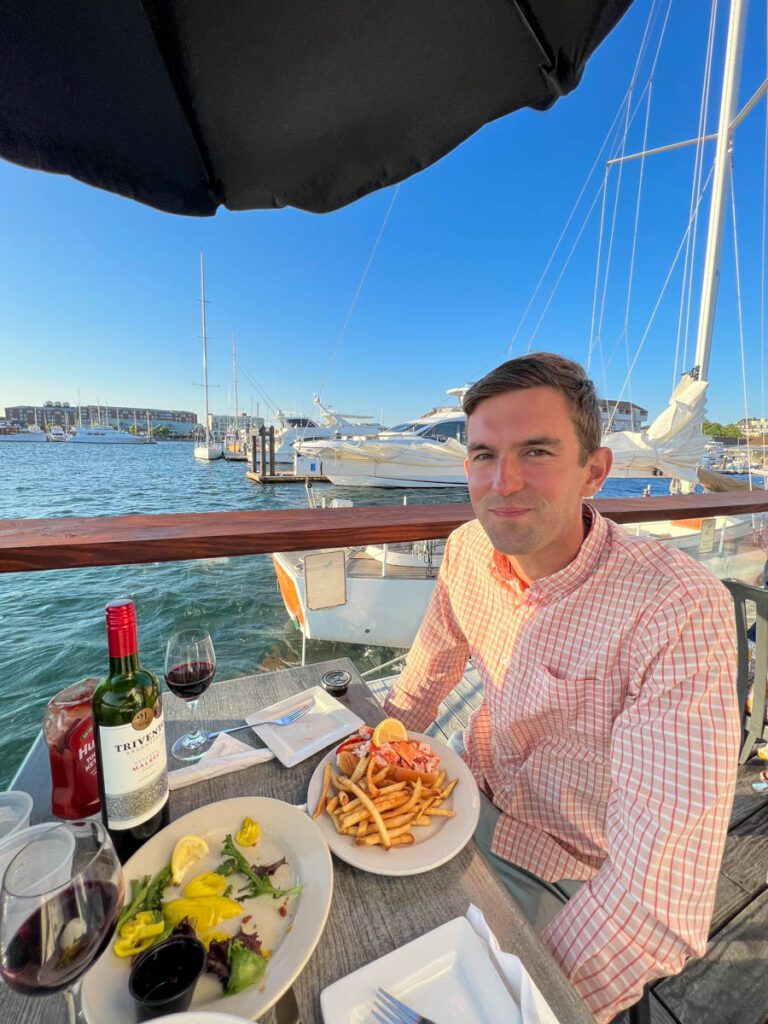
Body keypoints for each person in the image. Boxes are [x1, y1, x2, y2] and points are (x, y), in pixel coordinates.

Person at [383, 352, 739, 1023]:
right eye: (483, 454)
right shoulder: (465, 551)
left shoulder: (676, 607)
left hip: (574, 872)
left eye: (536, 451)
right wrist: (369, 748)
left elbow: (653, 900)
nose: (502, 481)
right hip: (463, 799)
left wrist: (520, 1004)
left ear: (594, 471)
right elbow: (428, 671)